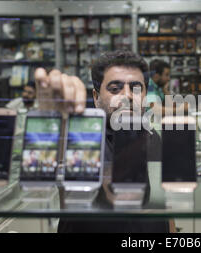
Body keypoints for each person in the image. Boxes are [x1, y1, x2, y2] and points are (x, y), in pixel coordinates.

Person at [34, 50, 173, 233]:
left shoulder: (152, 136)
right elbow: (60, 179)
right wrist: (57, 120)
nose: (127, 95)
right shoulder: (84, 135)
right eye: (115, 89)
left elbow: (165, 205)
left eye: (136, 88)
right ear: (96, 97)